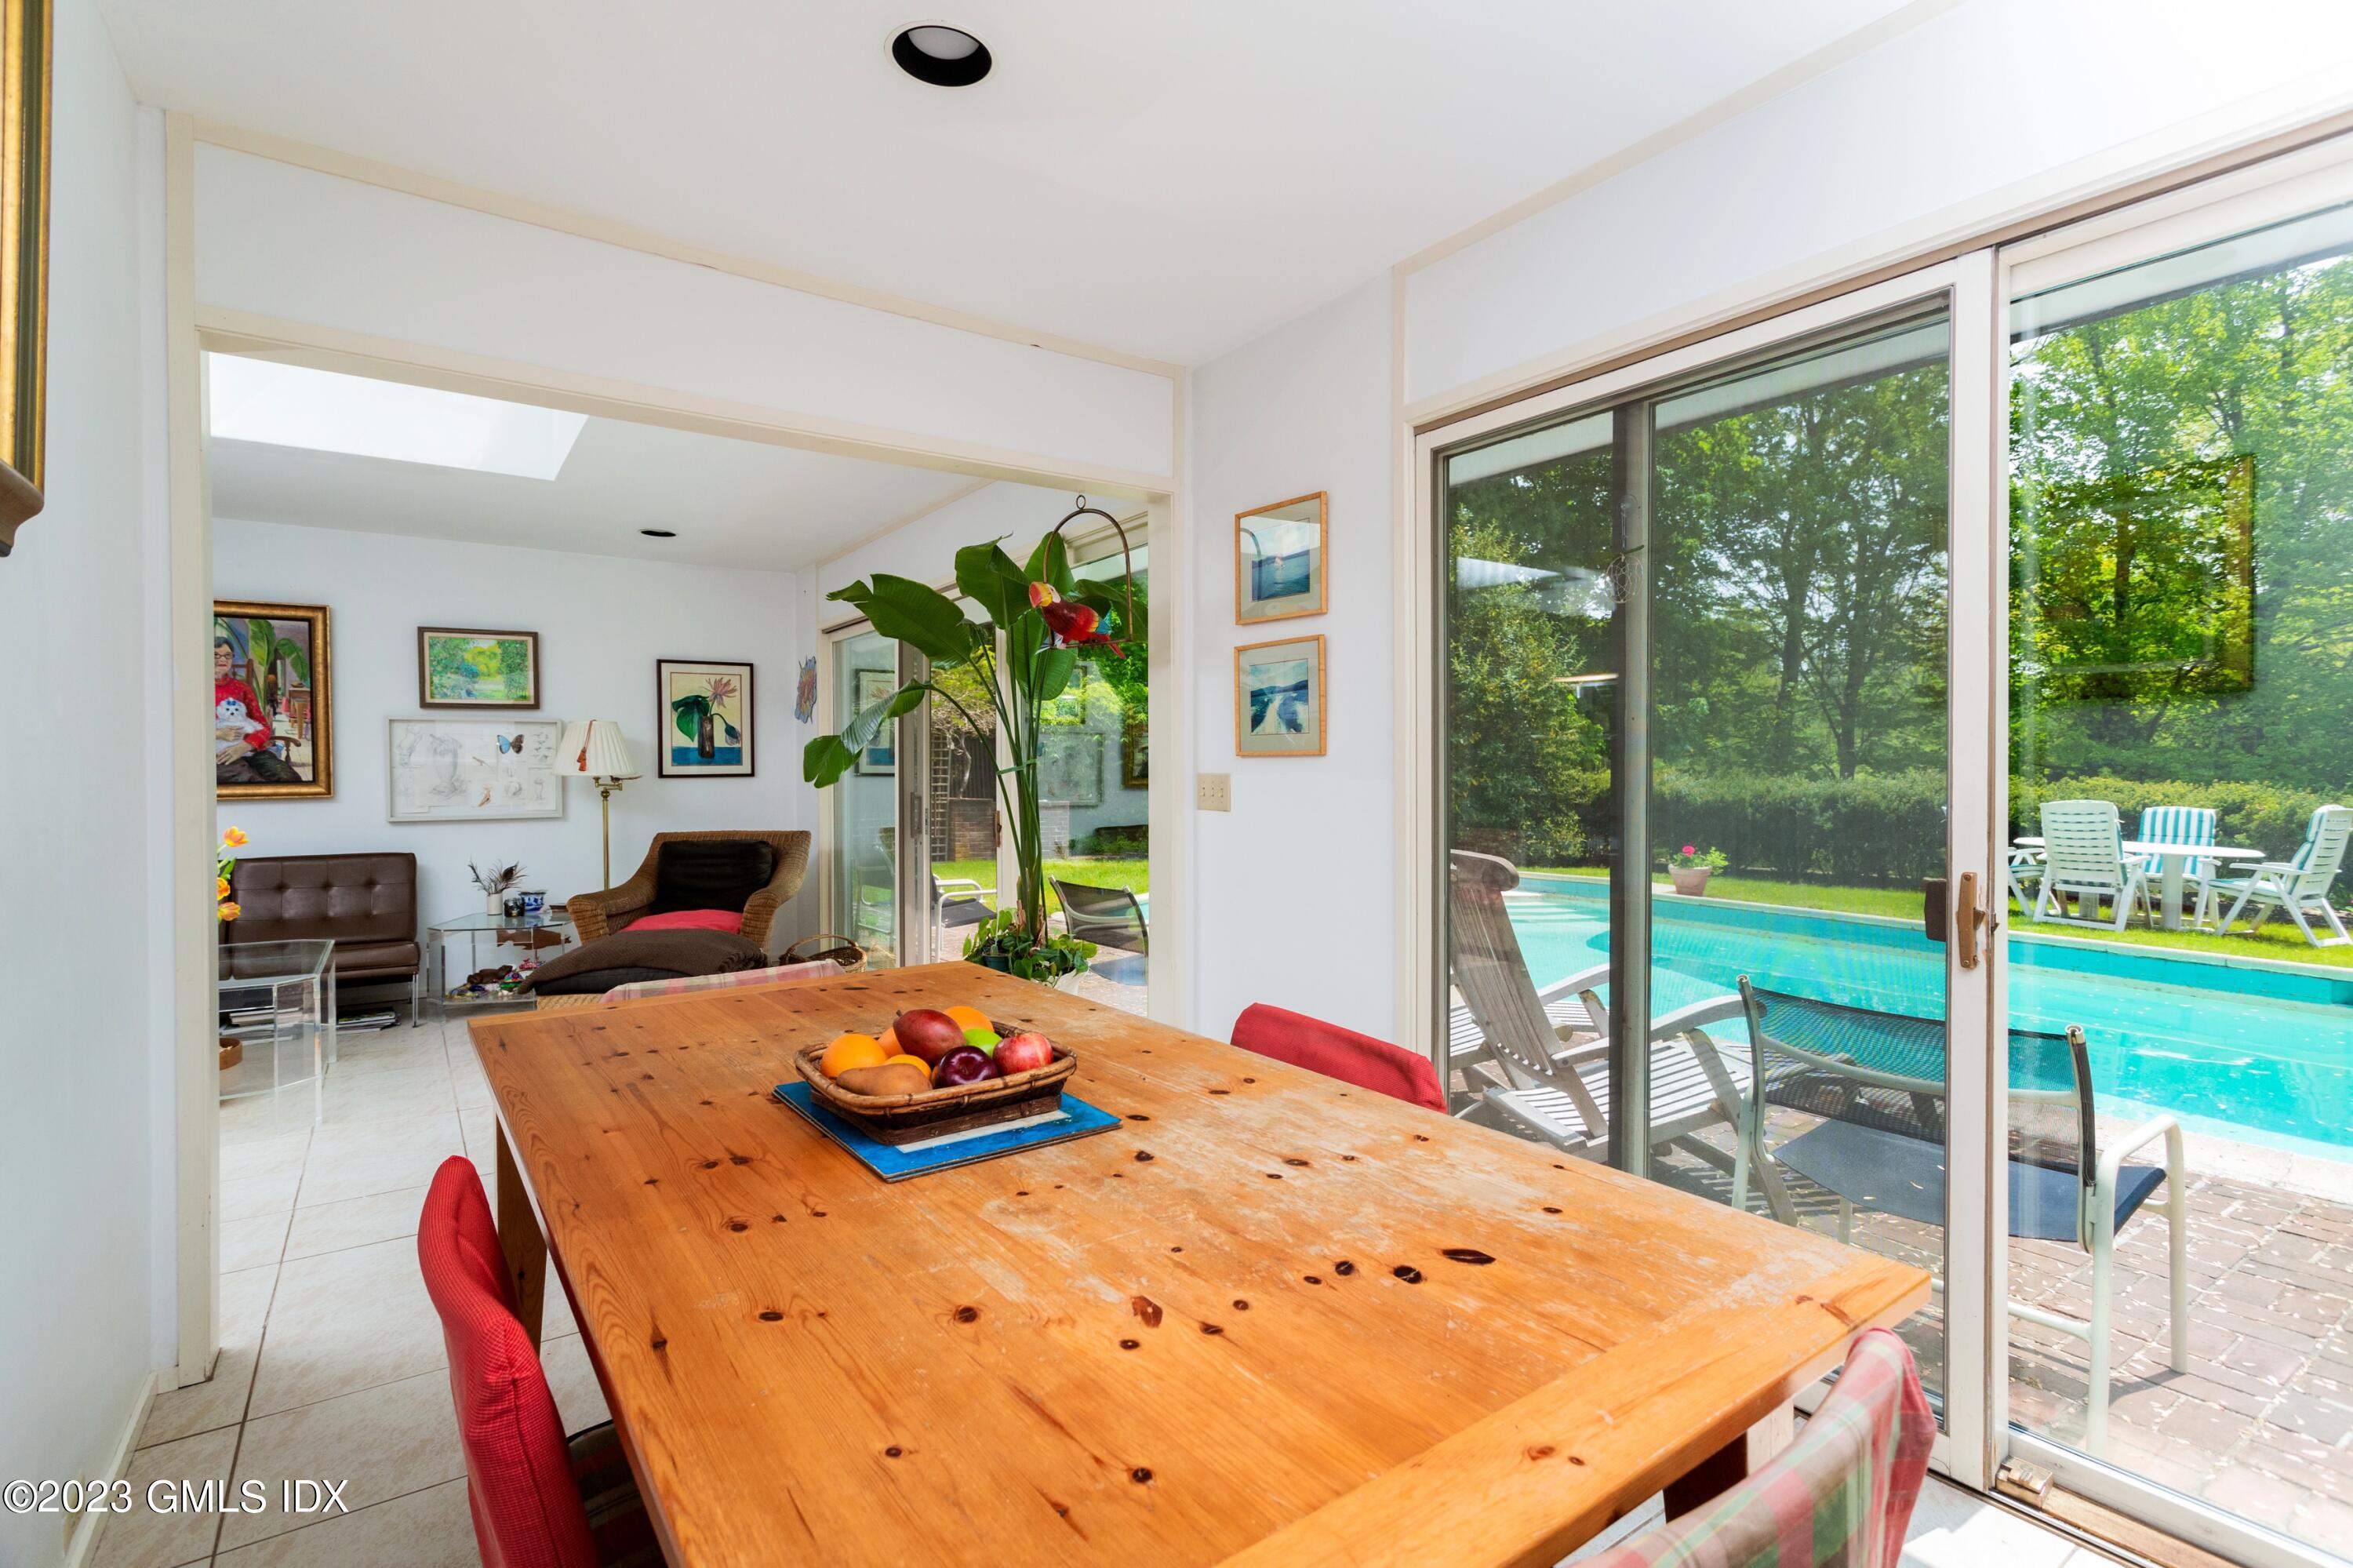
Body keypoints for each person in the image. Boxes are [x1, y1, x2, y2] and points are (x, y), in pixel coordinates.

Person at [214, 632, 303, 785]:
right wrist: (217, 734)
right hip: (219, 753)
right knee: (253, 782)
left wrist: (245, 746)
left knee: (288, 778)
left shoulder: (242, 688)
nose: (223, 659)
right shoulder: (196, 687)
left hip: (250, 749)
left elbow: (263, 726)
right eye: (216, 655)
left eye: (228, 655)